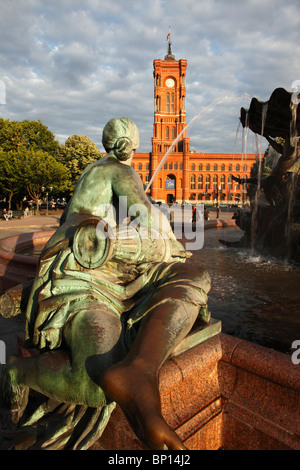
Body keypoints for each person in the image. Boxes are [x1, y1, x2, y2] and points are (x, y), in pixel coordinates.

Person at [0, 118, 210, 450]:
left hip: (105, 263)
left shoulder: (93, 170)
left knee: (192, 276)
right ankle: (17, 371)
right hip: (84, 272)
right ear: (131, 145)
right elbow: (143, 214)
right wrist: (167, 241)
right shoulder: (118, 170)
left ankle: (139, 370)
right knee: (92, 387)